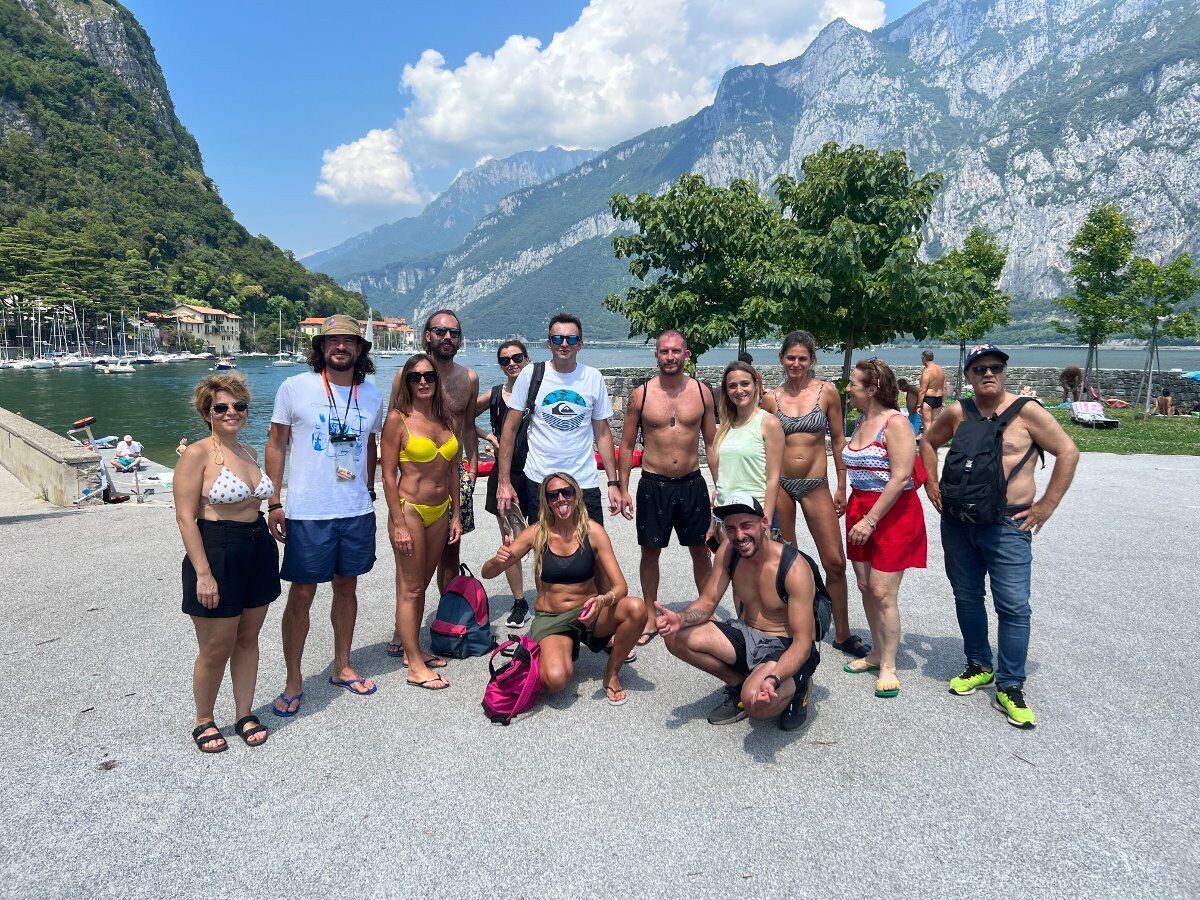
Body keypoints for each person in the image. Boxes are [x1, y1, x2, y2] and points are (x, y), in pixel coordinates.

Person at [921, 344, 1079, 729]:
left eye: (995, 367)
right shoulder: (958, 412)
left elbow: (1068, 452)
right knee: (967, 596)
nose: (988, 373)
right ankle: (978, 664)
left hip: (1009, 524)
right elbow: (927, 442)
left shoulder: (1028, 412)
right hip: (959, 522)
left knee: (1013, 607)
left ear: (1004, 372)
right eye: (979, 369)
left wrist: (1046, 505)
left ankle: (1010, 684)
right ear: (968, 376)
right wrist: (931, 484)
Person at [265, 315, 384, 717]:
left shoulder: (371, 395)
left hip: (355, 510)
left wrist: (369, 489)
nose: (341, 346)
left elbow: (370, 445)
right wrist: (274, 501)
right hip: (307, 511)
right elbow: (276, 443)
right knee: (302, 593)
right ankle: (293, 679)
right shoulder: (294, 387)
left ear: (360, 349)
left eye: (349, 341)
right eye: (333, 340)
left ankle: (342, 665)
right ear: (321, 347)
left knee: (347, 588)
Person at [173, 374, 280, 752]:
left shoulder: (248, 451)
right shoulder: (197, 454)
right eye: (221, 407)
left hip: (258, 547)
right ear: (208, 413)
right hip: (217, 549)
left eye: (239, 405)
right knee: (216, 646)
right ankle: (204, 719)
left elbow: (259, 500)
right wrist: (203, 574)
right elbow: (185, 518)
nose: (231, 412)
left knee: (248, 638)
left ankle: (244, 713)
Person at [656, 494, 817, 731]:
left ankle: (799, 687)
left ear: (764, 524)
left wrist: (774, 678)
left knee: (755, 705)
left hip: (784, 646)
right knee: (675, 636)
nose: (739, 536)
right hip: (747, 634)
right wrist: (680, 618)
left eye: (746, 526)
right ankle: (738, 684)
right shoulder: (729, 551)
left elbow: (803, 643)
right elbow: (708, 602)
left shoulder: (794, 568)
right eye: (730, 528)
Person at [481, 472, 643, 706]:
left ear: (576, 495)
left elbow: (621, 587)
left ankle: (612, 673)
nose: (561, 499)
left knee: (636, 608)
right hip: (552, 618)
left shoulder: (593, 531)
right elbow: (487, 573)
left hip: (589, 613)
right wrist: (497, 561)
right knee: (555, 680)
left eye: (566, 492)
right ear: (546, 501)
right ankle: (549, 648)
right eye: (553, 495)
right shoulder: (536, 533)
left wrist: (602, 600)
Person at [762, 331, 868, 659]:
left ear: (812, 360)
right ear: (782, 359)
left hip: (815, 483)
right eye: (790, 358)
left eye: (802, 358)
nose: (796, 364)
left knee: (834, 561)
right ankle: (793, 629)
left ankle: (843, 632)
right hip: (781, 485)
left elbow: (837, 440)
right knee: (786, 560)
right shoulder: (770, 398)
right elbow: (762, 446)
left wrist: (841, 485)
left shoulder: (827, 392)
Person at [617, 330, 716, 646]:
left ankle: (706, 612)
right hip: (653, 484)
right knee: (650, 551)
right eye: (664, 351)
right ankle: (649, 616)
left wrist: (722, 486)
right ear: (656, 355)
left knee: (700, 550)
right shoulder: (642, 395)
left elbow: (711, 443)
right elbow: (626, 445)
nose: (670, 357)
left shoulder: (701, 392)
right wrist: (622, 488)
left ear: (686, 354)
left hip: (692, 482)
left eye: (675, 351)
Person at [841, 358, 927, 700]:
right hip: (859, 508)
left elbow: (902, 476)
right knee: (864, 585)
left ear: (872, 389)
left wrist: (870, 519)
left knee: (882, 592)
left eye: (853, 383)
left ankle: (889, 665)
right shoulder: (862, 420)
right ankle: (876, 652)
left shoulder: (896, 423)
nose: (848, 388)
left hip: (891, 514)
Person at [381, 354, 462, 690]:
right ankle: (414, 663)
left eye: (429, 376)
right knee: (411, 588)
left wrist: (456, 514)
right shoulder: (397, 419)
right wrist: (398, 523)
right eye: (416, 377)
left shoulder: (447, 418)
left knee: (420, 586)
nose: (424, 381)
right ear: (407, 383)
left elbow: (453, 470)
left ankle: (412, 649)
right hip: (410, 509)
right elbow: (388, 476)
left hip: (440, 510)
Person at [496, 313, 620, 525]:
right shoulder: (531, 374)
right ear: (549, 343)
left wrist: (613, 483)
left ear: (580, 344)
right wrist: (503, 483)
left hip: (583, 481)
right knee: (543, 543)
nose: (564, 344)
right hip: (540, 480)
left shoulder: (592, 377)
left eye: (571, 339)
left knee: (591, 542)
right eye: (557, 339)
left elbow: (602, 433)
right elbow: (509, 429)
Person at [420, 310, 480, 593]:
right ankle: (409, 616)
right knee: (415, 554)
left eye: (454, 333)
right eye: (440, 331)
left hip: (455, 475)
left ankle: (447, 610)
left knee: (451, 551)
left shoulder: (469, 378)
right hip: (419, 477)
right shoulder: (411, 377)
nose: (447, 337)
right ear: (427, 336)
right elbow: (395, 426)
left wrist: (473, 468)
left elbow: (468, 426)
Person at [477, 339, 535, 629]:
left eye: (517, 357)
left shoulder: (539, 392)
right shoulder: (495, 395)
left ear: (527, 358)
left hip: (538, 473)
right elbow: (460, 416)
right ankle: (520, 601)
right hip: (506, 474)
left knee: (545, 539)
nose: (511, 363)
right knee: (510, 540)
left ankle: (548, 598)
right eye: (505, 360)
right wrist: (489, 437)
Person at [709, 360, 783, 542]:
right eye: (732, 386)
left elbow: (773, 478)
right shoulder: (725, 426)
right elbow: (724, 477)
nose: (739, 390)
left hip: (754, 515)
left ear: (756, 385)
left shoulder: (768, 423)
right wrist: (713, 520)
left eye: (745, 384)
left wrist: (766, 521)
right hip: (725, 515)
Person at [918, 350, 947, 432]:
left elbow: (922, 390)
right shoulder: (941, 370)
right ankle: (935, 440)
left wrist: (918, 405)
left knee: (927, 425)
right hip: (939, 398)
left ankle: (928, 440)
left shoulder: (927, 371)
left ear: (924, 358)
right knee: (935, 424)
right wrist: (942, 401)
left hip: (928, 399)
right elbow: (944, 388)